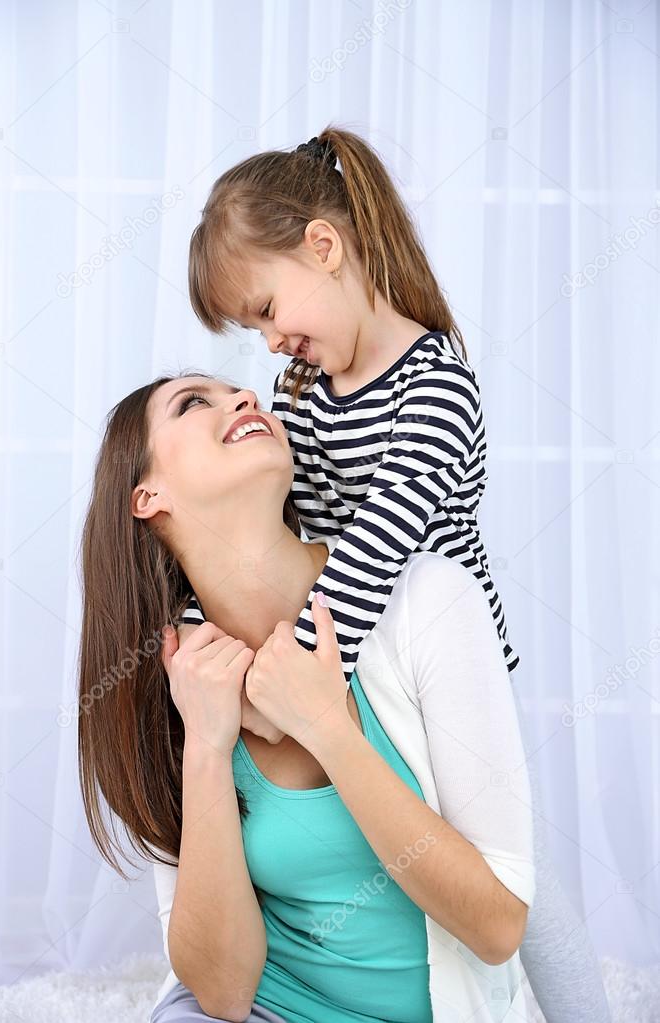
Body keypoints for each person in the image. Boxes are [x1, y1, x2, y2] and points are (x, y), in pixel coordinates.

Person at [180, 125, 612, 1023]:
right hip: (351, 649)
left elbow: (377, 541)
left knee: (504, 863)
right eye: (251, 328)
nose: (267, 345)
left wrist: (285, 680)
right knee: (380, 835)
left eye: (266, 309)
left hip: (435, 659)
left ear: (323, 248)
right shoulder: (308, 392)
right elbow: (271, 527)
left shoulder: (437, 388)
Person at [77, 372, 535, 1022]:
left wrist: (326, 726)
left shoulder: (430, 600)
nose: (243, 399)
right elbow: (223, 991)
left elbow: (498, 928)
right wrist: (206, 748)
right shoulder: (179, 674)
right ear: (146, 495)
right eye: (193, 403)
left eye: (239, 392)